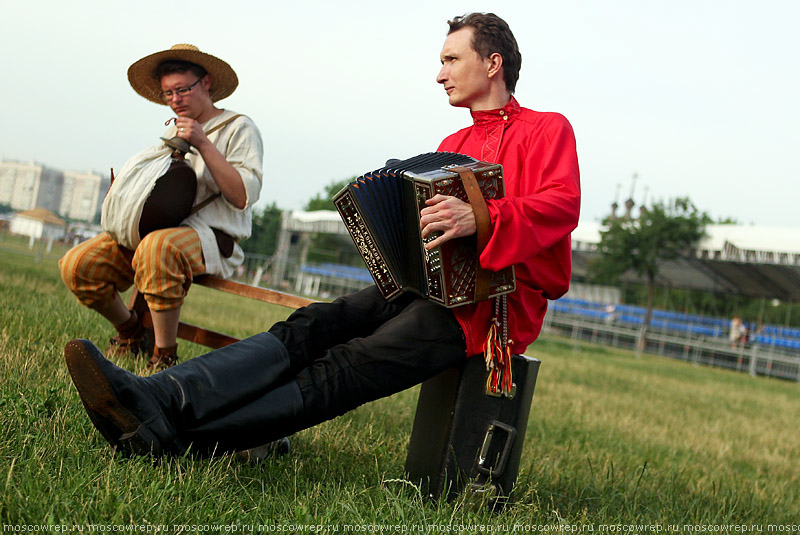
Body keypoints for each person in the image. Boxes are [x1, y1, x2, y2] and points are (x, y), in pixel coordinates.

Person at [63, 13, 580, 458]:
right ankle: (163, 393)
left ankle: (181, 437)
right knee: (310, 324)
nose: (438, 74)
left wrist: (480, 217)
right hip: (422, 290)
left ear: (492, 63)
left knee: (350, 364)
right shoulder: (454, 141)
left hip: (491, 310)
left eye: (450, 60)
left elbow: (561, 205)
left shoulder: (547, 128)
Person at [59, 45, 263, 370]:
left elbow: (240, 196)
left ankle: (164, 357)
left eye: (183, 89)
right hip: (156, 231)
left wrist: (203, 143)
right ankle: (129, 331)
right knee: (78, 265)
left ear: (206, 82)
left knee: (157, 249)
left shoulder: (239, 128)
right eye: (168, 93)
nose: (176, 99)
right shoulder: (173, 129)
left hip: (210, 237)